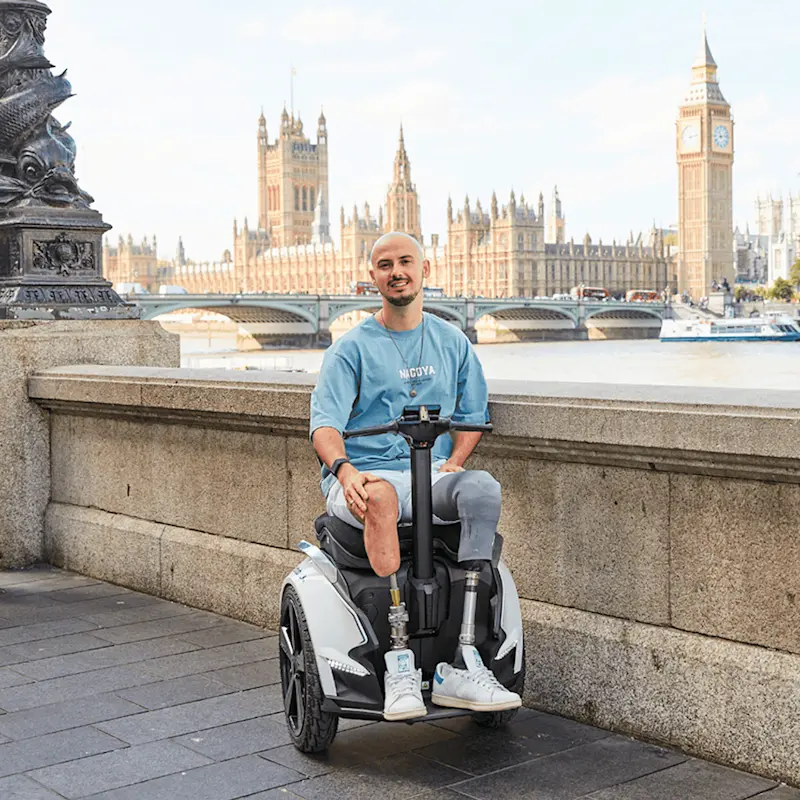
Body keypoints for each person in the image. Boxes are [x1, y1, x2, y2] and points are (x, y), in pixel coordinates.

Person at [309, 231, 521, 721]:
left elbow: (472, 415)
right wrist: (344, 471)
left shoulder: (452, 341)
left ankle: (465, 658)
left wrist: (455, 462)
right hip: (366, 480)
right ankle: (398, 658)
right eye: (385, 264)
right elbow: (324, 424)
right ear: (373, 277)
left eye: (406, 262)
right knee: (381, 499)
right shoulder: (350, 349)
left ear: (426, 270)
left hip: (430, 475)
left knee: (483, 491)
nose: (396, 271)